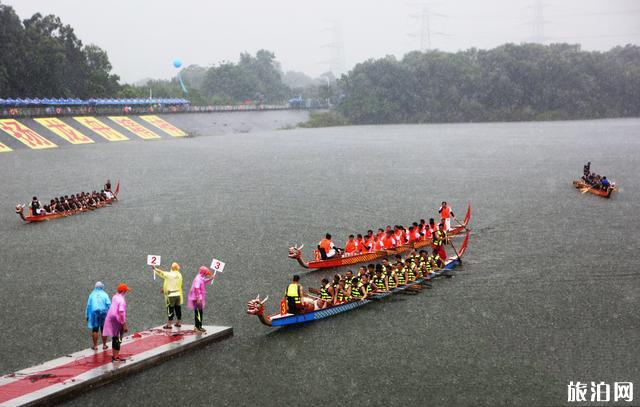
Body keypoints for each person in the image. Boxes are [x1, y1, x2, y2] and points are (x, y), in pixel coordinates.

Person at [103, 283, 130, 362]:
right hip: (117, 321)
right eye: (126, 291)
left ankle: (115, 356)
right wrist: (124, 324)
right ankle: (116, 357)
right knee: (119, 339)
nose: (126, 292)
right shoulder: (122, 300)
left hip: (110, 319)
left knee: (115, 337)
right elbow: (121, 312)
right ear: (123, 291)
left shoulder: (115, 297)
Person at [153, 262, 184, 329]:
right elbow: (167, 279)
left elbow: (162, 273)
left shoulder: (170, 274)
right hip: (178, 294)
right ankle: (178, 322)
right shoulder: (179, 275)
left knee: (170, 309)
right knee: (178, 308)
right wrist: (164, 288)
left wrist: (155, 268)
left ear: (171, 268)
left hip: (171, 295)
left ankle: (169, 324)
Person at [188, 266, 215, 332]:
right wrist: (198, 299)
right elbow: (196, 288)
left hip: (198, 297)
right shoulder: (198, 278)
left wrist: (210, 278)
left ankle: (199, 326)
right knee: (198, 312)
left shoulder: (200, 277)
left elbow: (203, 281)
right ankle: (197, 327)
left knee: (199, 312)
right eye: (206, 272)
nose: (206, 274)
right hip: (197, 298)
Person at [85, 282, 111, 351]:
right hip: (103, 313)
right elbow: (109, 304)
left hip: (94, 313)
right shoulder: (105, 294)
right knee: (103, 329)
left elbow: (88, 306)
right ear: (102, 287)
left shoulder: (91, 295)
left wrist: (87, 315)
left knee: (95, 329)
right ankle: (104, 345)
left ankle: (95, 346)